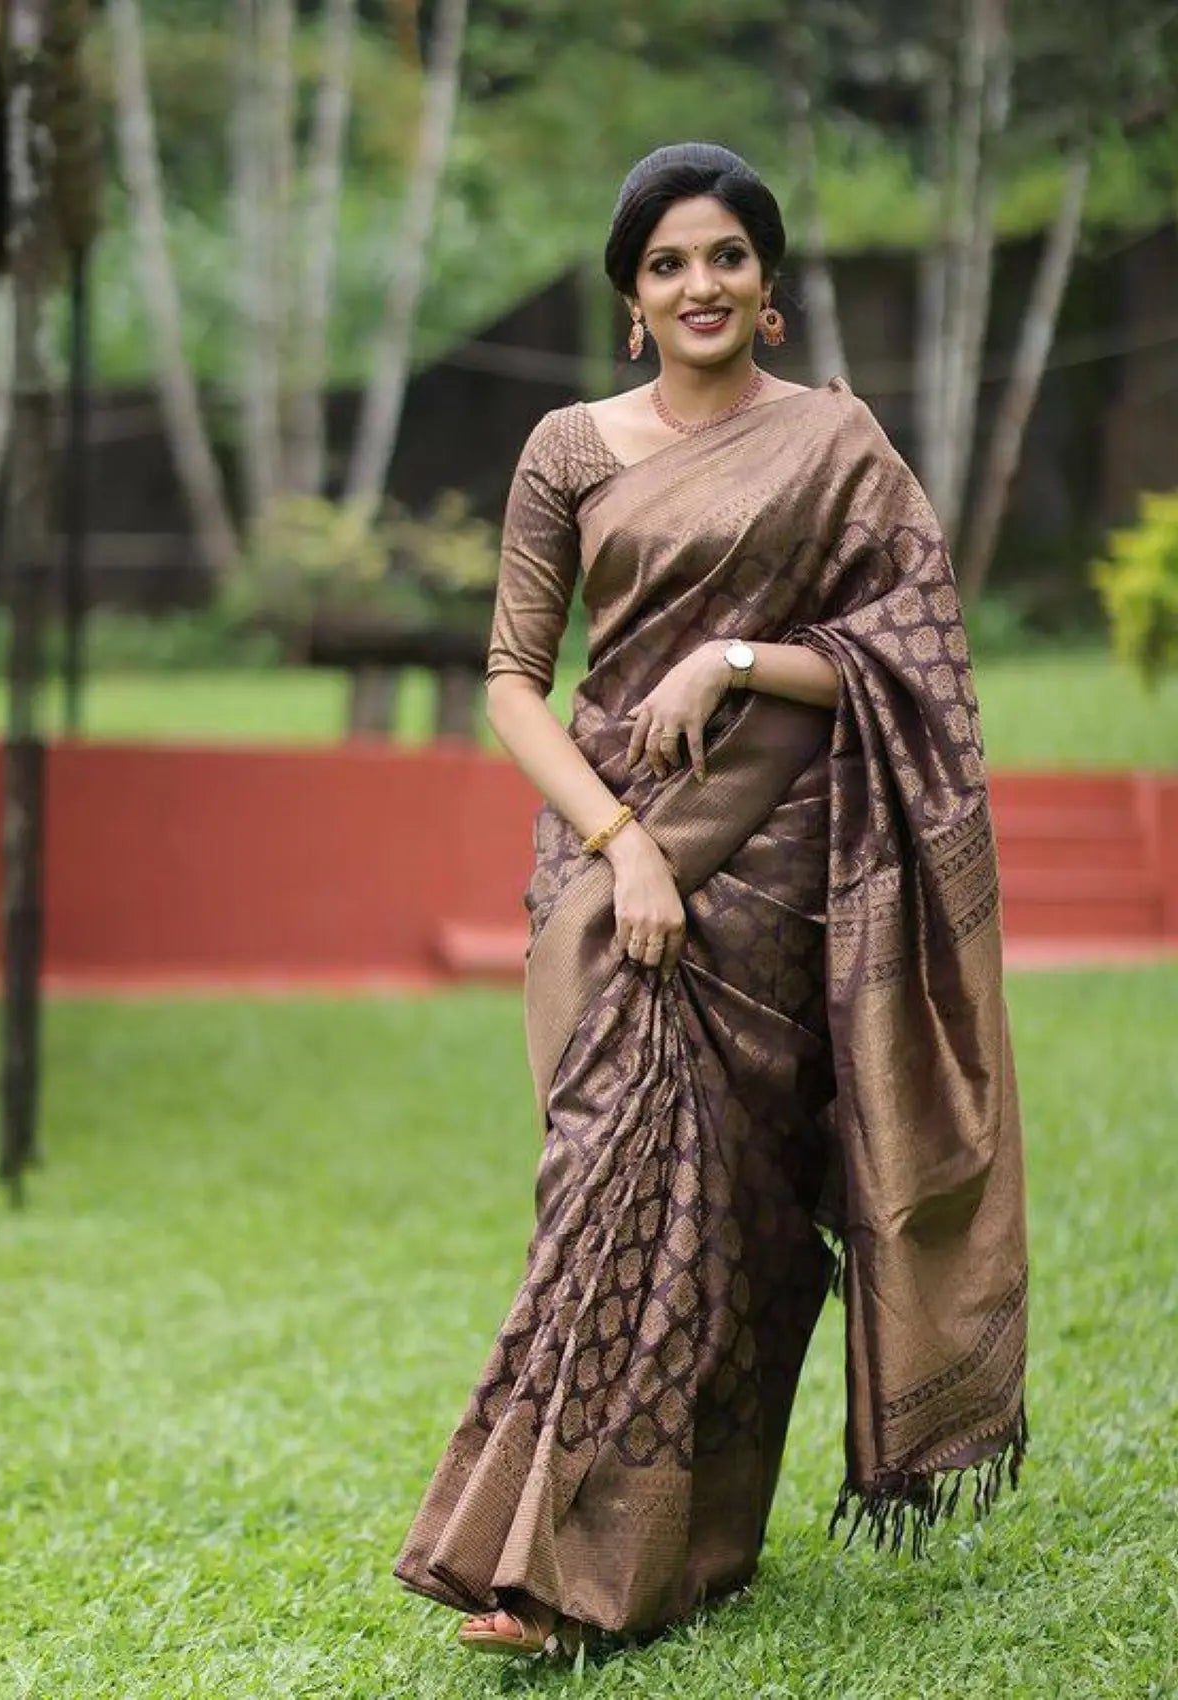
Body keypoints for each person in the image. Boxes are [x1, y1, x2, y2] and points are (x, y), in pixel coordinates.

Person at [395, 141, 1028, 1660]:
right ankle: (549, 1557)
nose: (700, 284)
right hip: (613, 863)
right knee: (603, 1185)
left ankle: (666, 1555)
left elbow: (922, 656)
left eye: (727, 257)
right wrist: (619, 841)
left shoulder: (839, 445)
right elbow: (507, 681)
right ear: (632, 296)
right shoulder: (567, 448)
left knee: (740, 1219)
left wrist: (734, 658)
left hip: (780, 868)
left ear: (770, 286)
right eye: (669, 262)